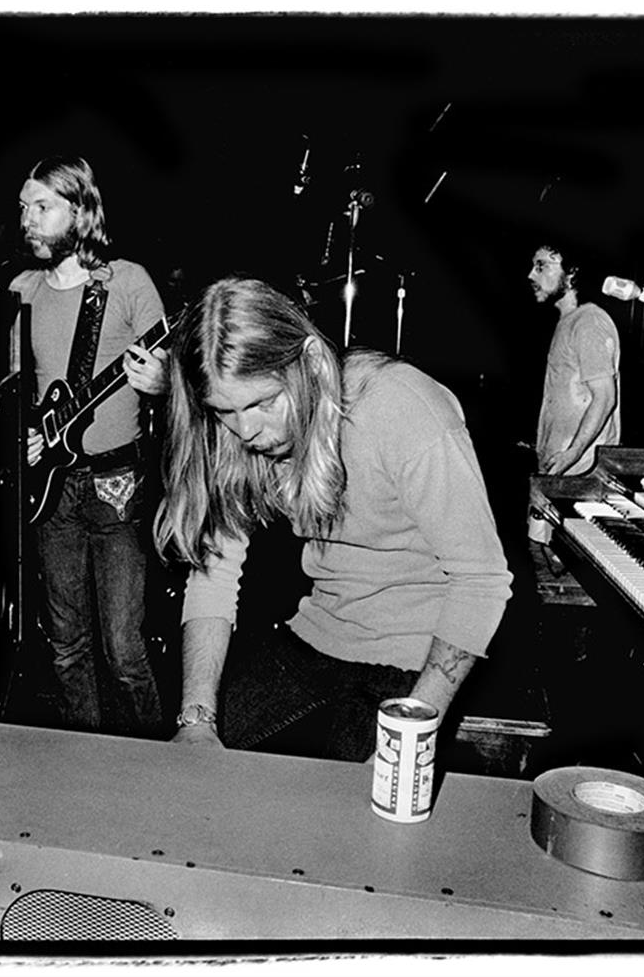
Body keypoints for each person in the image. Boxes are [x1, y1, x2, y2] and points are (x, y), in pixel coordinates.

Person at [155, 276, 512, 762]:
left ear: (309, 364)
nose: (245, 430)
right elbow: (214, 569)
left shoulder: (399, 406)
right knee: (198, 775)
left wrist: (406, 740)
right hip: (318, 635)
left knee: (348, 813)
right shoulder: (234, 429)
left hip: (415, 649)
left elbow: (481, 581)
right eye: (224, 412)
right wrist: (196, 718)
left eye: (262, 402)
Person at [10, 154, 169, 737]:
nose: (28, 219)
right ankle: (84, 759)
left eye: (43, 207)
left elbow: (174, 370)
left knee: (124, 651)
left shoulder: (126, 282)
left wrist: (162, 380)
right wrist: (19, 435)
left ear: (80, 212)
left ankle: (158, 759)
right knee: (65, 649)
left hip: (115, 482)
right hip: (51, 489)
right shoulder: (20, 291)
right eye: (24, 207)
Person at [527, 242, 621, 477]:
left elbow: (605, 397)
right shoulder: (568, 322)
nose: (531, 275)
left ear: (571, 274)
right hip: (561, 467)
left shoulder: (589, 322)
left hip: (581, 471)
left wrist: (573, 453)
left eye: (541, 267)